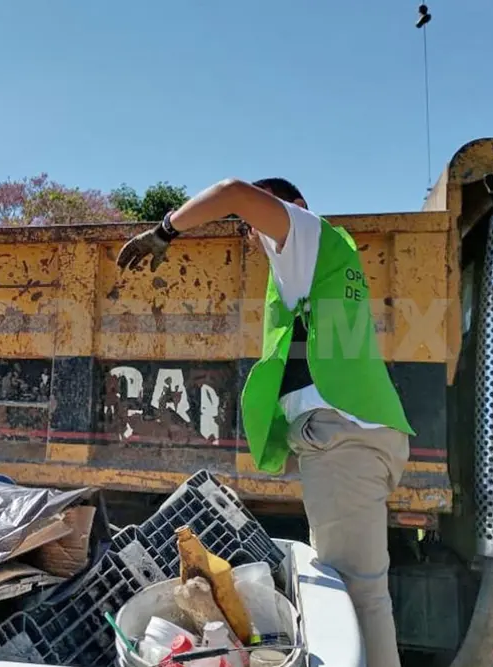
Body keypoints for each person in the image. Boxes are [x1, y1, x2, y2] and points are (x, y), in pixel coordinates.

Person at [116, 177, 413, 667]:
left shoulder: (306, 236)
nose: (252, 237)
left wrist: (166, 229)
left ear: (292, 207)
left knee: (357, 597)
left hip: (344, 440)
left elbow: (233, 191)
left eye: (251, 225)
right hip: (349, 436)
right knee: (355, 592)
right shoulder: (316, 262)